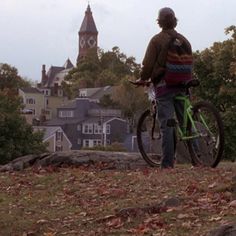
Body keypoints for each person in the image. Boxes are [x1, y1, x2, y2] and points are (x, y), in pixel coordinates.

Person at [139, 7, 193, 169]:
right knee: (187, 124)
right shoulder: (184, 40)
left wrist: (143, 78)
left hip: (165, 86)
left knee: (167, 125)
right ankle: (199, 159)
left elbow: (148, 64)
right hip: (182, 85)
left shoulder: (156, 40)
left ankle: (167, 164)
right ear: (174, 21)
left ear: (160, 23)